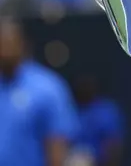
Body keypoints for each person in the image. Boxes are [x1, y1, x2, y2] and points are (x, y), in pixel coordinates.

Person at [0, 16, 79, 166]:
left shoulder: (47, 87)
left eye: (8, 42)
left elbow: (57, 144)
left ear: (22, 44)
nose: (4, 50)